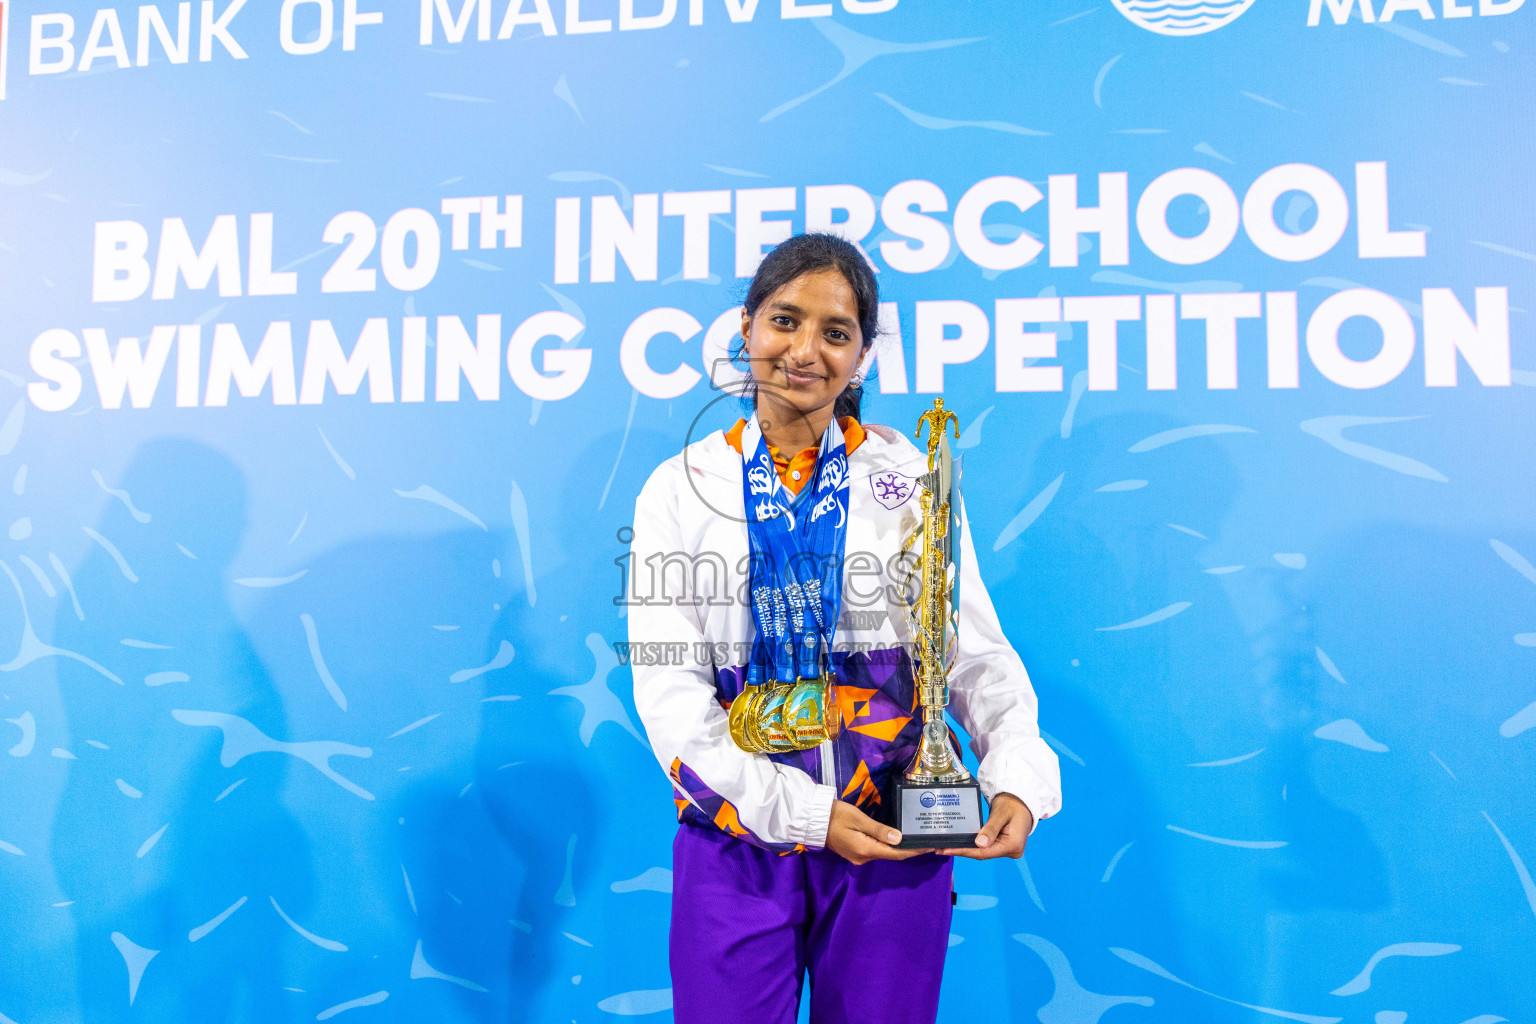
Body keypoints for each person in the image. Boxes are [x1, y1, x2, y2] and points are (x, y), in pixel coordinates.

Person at [627, 233, 1061, 1024]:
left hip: (896, 832)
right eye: (784, 321)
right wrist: (799, 813)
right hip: (738, 842)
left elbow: (969, 653)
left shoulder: (907, 478)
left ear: (862, 354)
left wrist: (1018, 778)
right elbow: (668, 690)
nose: (805, 350)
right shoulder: (680, 488)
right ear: (746, 331)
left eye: (836, 333)